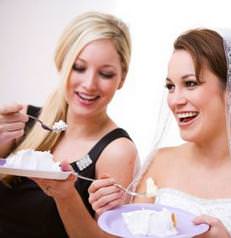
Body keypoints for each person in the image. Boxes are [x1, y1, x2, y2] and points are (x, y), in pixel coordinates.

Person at [88, 29, 231, 237]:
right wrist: (112, 213)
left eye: (190, 84)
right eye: (170, 86)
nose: (175, 100)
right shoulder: (159, 163)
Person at [0, 11, 137, 238]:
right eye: (79, 67)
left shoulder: (116, 151)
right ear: (61, 63)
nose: (89, 84)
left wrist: (66, 196)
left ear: (121, 78)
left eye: (105, 73)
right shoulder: (23, 120)